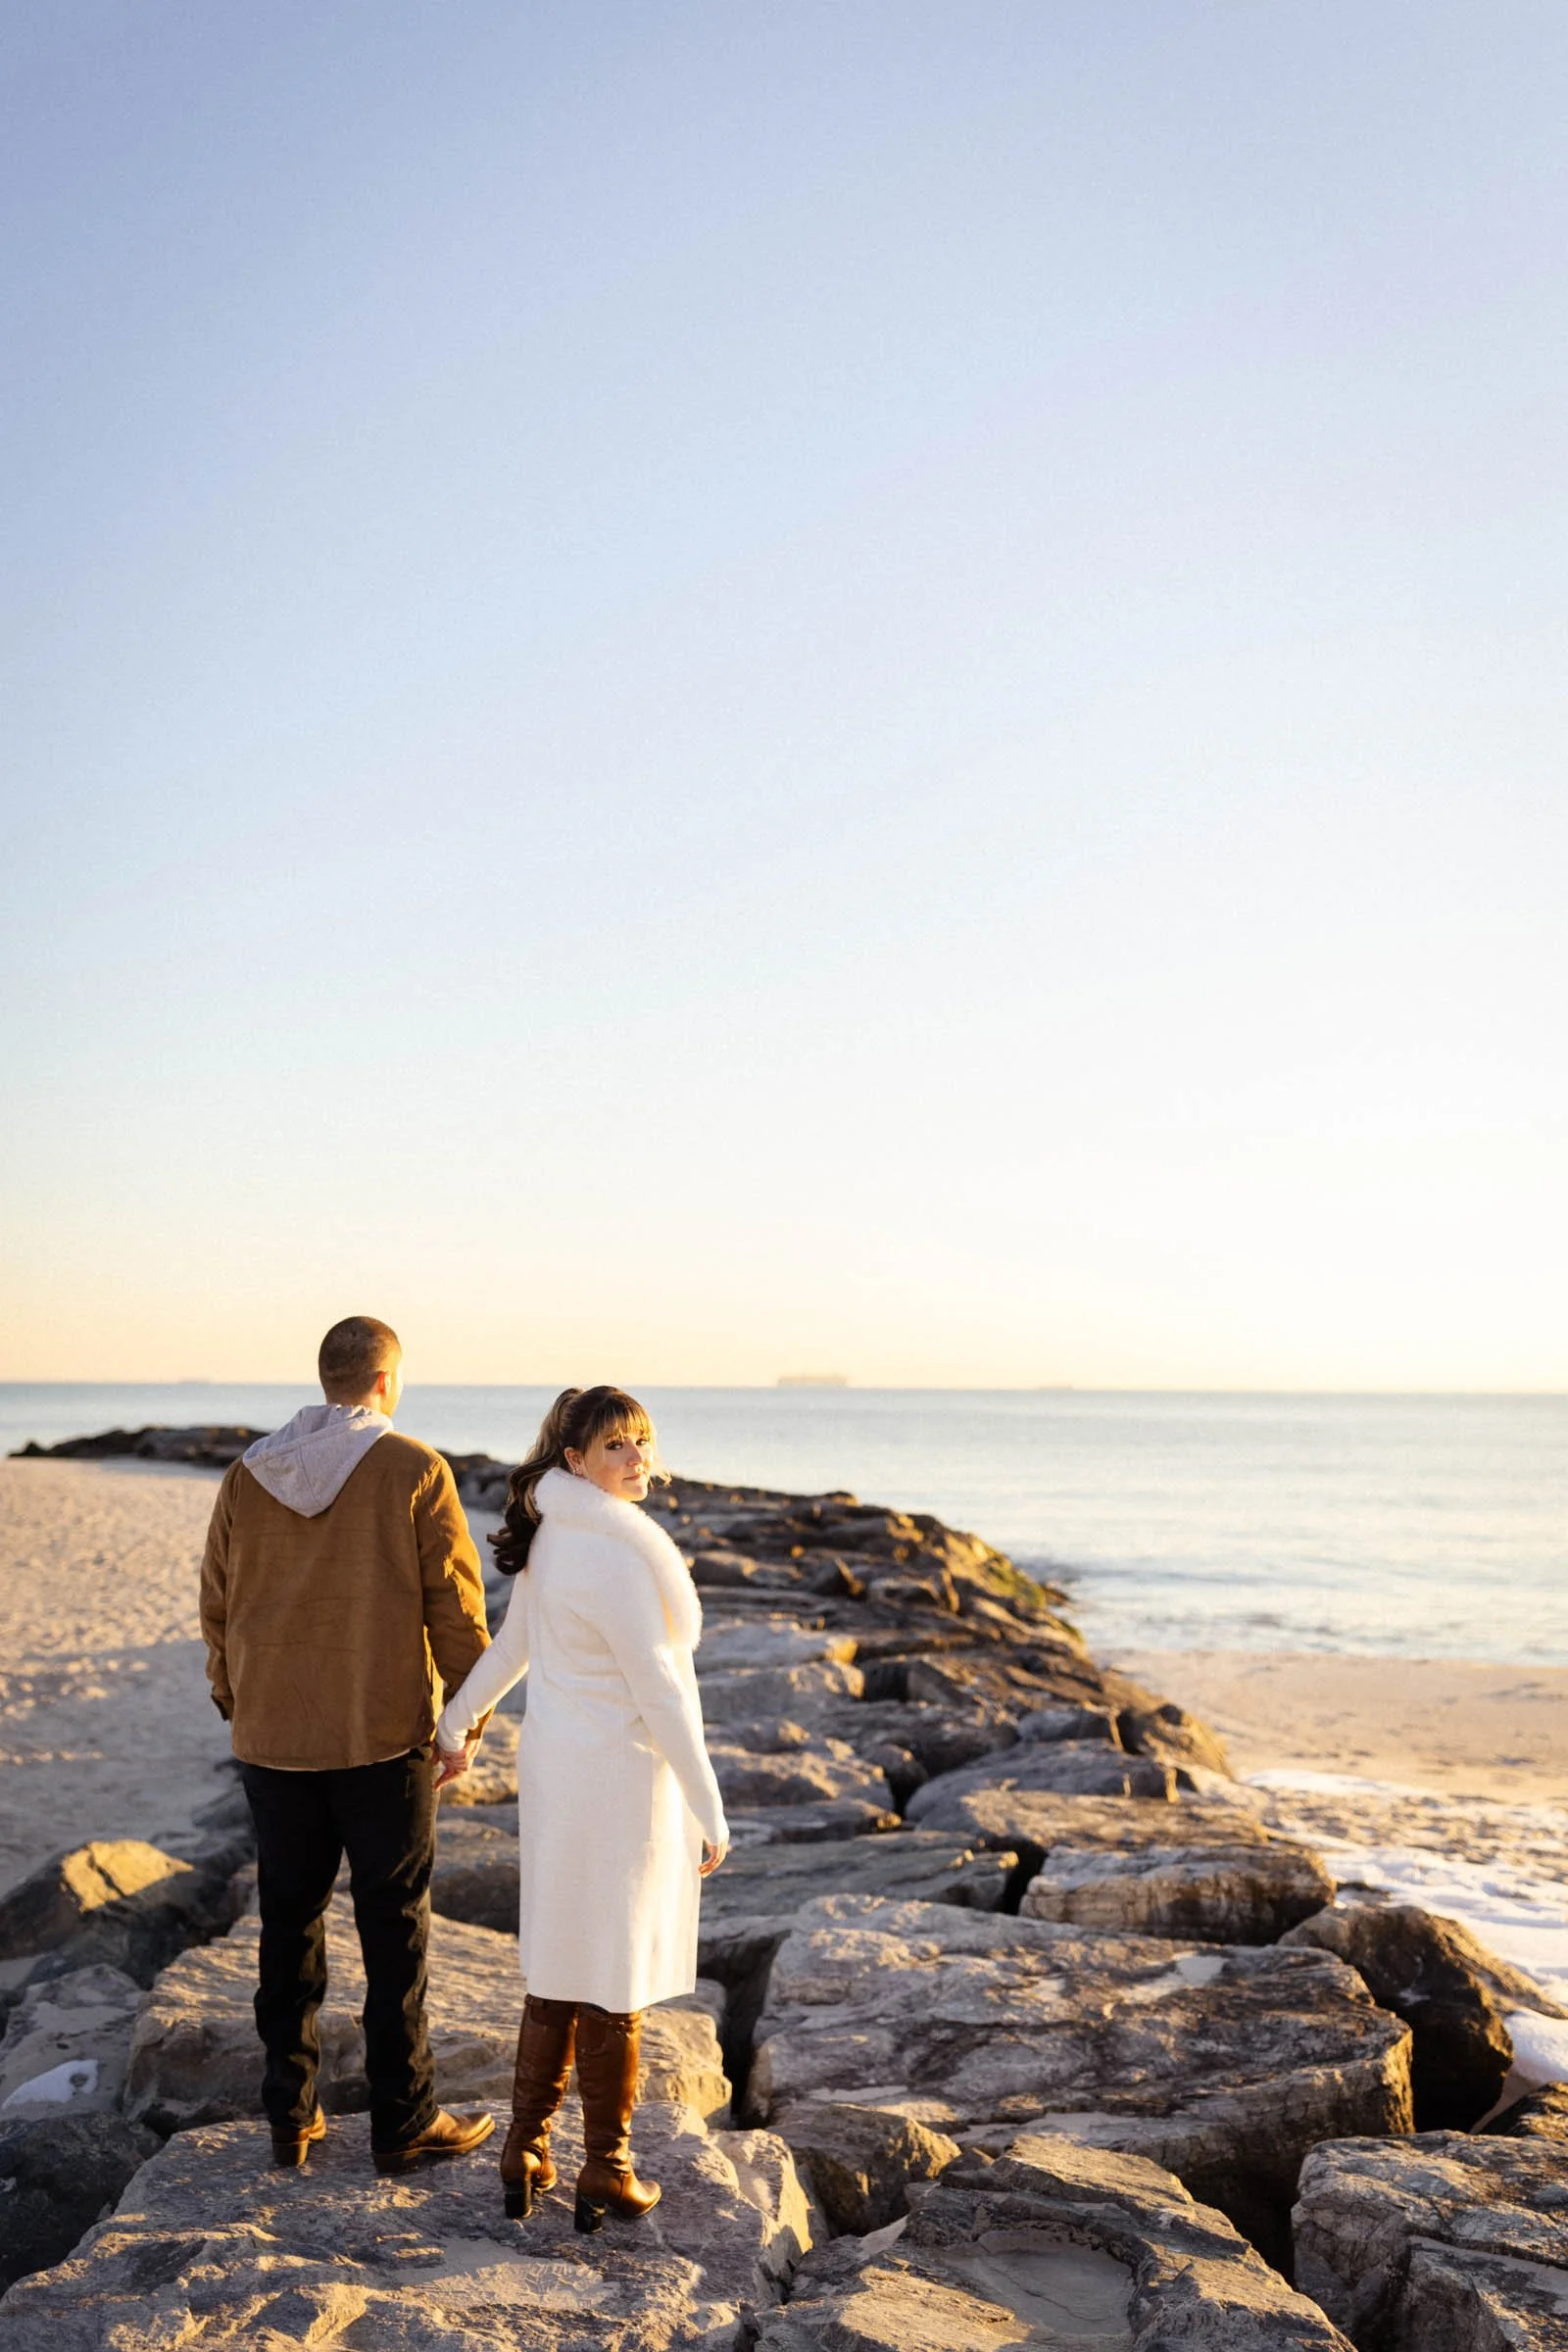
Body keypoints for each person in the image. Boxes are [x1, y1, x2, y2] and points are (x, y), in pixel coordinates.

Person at [199, 1315, 497, 2175]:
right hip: (379, 1743)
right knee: (394, 1935)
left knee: (288, 1924)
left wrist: (238, 1702)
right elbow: (456, 1611)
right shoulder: (415, 1469)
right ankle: (404, 2122)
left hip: (271, 1742)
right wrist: (463, 1725)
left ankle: (290, 2118)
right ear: (385, 1382)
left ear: (324, 1377)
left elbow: (217, 1607)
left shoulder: (246, 1476)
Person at [434, 1385, 729, 2231]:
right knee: (613, 1972)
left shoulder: (556, 1535)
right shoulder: (618, 1553)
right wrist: (709, 1804)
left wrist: (455, 1726)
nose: (638, 1460)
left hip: (561, 1777)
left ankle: (525, 2147)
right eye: (615, 1448)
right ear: (574, 1460)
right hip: (621, 1780)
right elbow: (662, 1694)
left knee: (562, 1956)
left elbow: (510, 1649)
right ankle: (608, 2167)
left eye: (641, 1442)